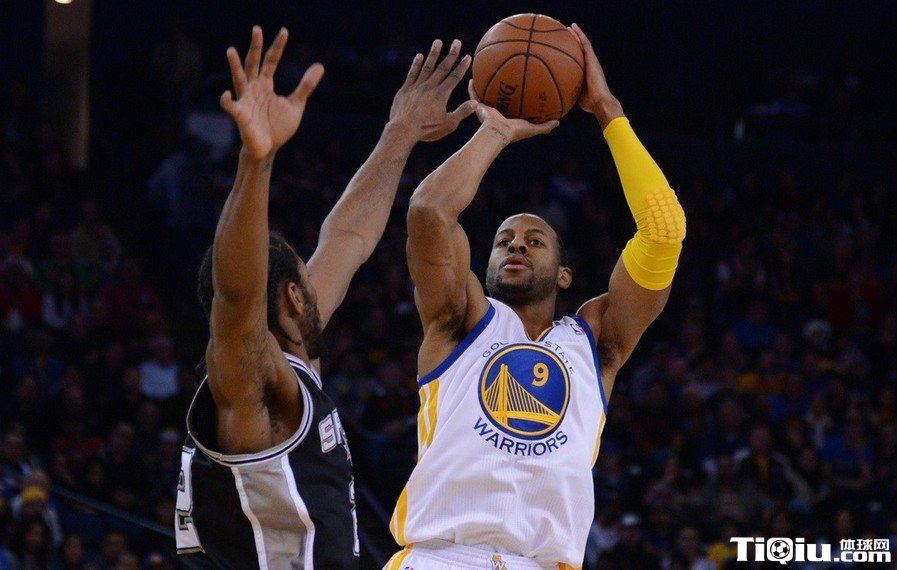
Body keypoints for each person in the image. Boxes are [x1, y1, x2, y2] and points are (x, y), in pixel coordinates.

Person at [387, 23, 686, 568]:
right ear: (486, 265)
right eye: (503, 241)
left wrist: (608, 111)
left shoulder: (596, 341)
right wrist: (495, 131)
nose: (516, 245)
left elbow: (664, 232)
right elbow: (429, 211)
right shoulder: (460, 319)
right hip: (441, 557)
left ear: (565, 275)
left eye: (534, 240)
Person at [176, 26, 474, 568]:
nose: (319, 279)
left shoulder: (290, 362)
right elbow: (238, 298)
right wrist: (256, 162)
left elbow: (348, 237)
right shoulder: (251, 381)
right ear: (294, 297)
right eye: (305, 276)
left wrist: (402, 132)